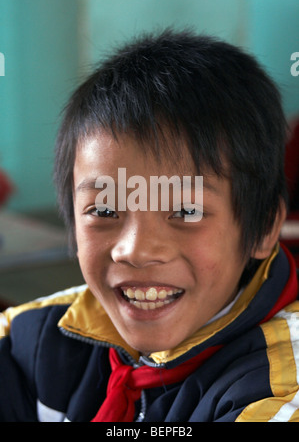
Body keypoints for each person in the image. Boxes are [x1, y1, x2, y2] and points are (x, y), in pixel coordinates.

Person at [0, 29, 298, 423]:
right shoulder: (30, 339)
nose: (135, 251)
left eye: (186, 212)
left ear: (263, 227)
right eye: (104, 212)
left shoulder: (283, 388)